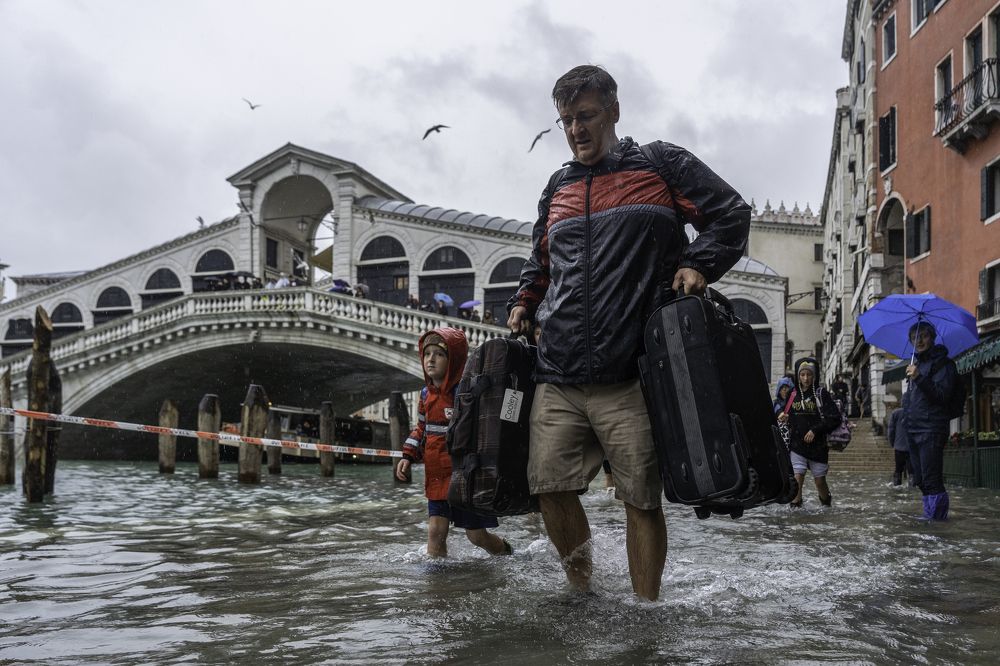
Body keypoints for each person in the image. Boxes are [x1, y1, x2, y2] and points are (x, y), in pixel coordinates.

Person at [506, 65, 750, 600]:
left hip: (634, 371)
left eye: (586, 116)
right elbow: (540, 259)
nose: (575, 129)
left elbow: (731, 213)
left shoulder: (660, 165)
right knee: (548, 488)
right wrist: (525, 301)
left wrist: (699, 264)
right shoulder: (558, 186)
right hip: (559, 372)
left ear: (614, 111)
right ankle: (583, 588)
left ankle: (644, 611)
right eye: (566, 120)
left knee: (640, 498)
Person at [394, 327, 512, 557]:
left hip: (464, 475)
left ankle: (506, 552)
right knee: (435, 532)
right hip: (436, 476)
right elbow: (421, 429)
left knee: (477, 536)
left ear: (454, 360)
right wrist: (407, 455)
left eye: (438, 354)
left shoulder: (465, 392)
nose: (431, 360)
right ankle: (438, 586)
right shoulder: (425, 395)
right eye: (427, 354)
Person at [904, 322, 957, 520]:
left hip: (931, 428)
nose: (919, 340)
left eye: (924, 336)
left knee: (931, 478)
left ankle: (937, 523)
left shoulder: (944, 364)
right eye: (915, 337)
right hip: (913, 428)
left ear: (932, 338)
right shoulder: (915, 364)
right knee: (920, 480)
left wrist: (919, 378)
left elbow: (942, 395)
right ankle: (930, 516)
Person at [777, 357, 841, 508]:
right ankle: (795, 513)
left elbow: (834, 418)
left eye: (809, 375)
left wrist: (815, 430)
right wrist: (782, 415)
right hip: (797, 445)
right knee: (797, 478)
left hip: (818, 446)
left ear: (815, 375)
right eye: (802, 375)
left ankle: (826, 505)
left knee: (819, 481)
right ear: (798, 376)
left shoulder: (821, 394)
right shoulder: (792, 394)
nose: (805, 378)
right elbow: (783, 410)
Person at [885, 394, 911, 486]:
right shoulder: (914, 412)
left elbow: (891, 431)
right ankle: (912, 486)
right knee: (912, 471)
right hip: (912, 447)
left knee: (898, 470)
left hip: (899, 447)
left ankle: (897, 485)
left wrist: (892, 443)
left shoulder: (895, 413)